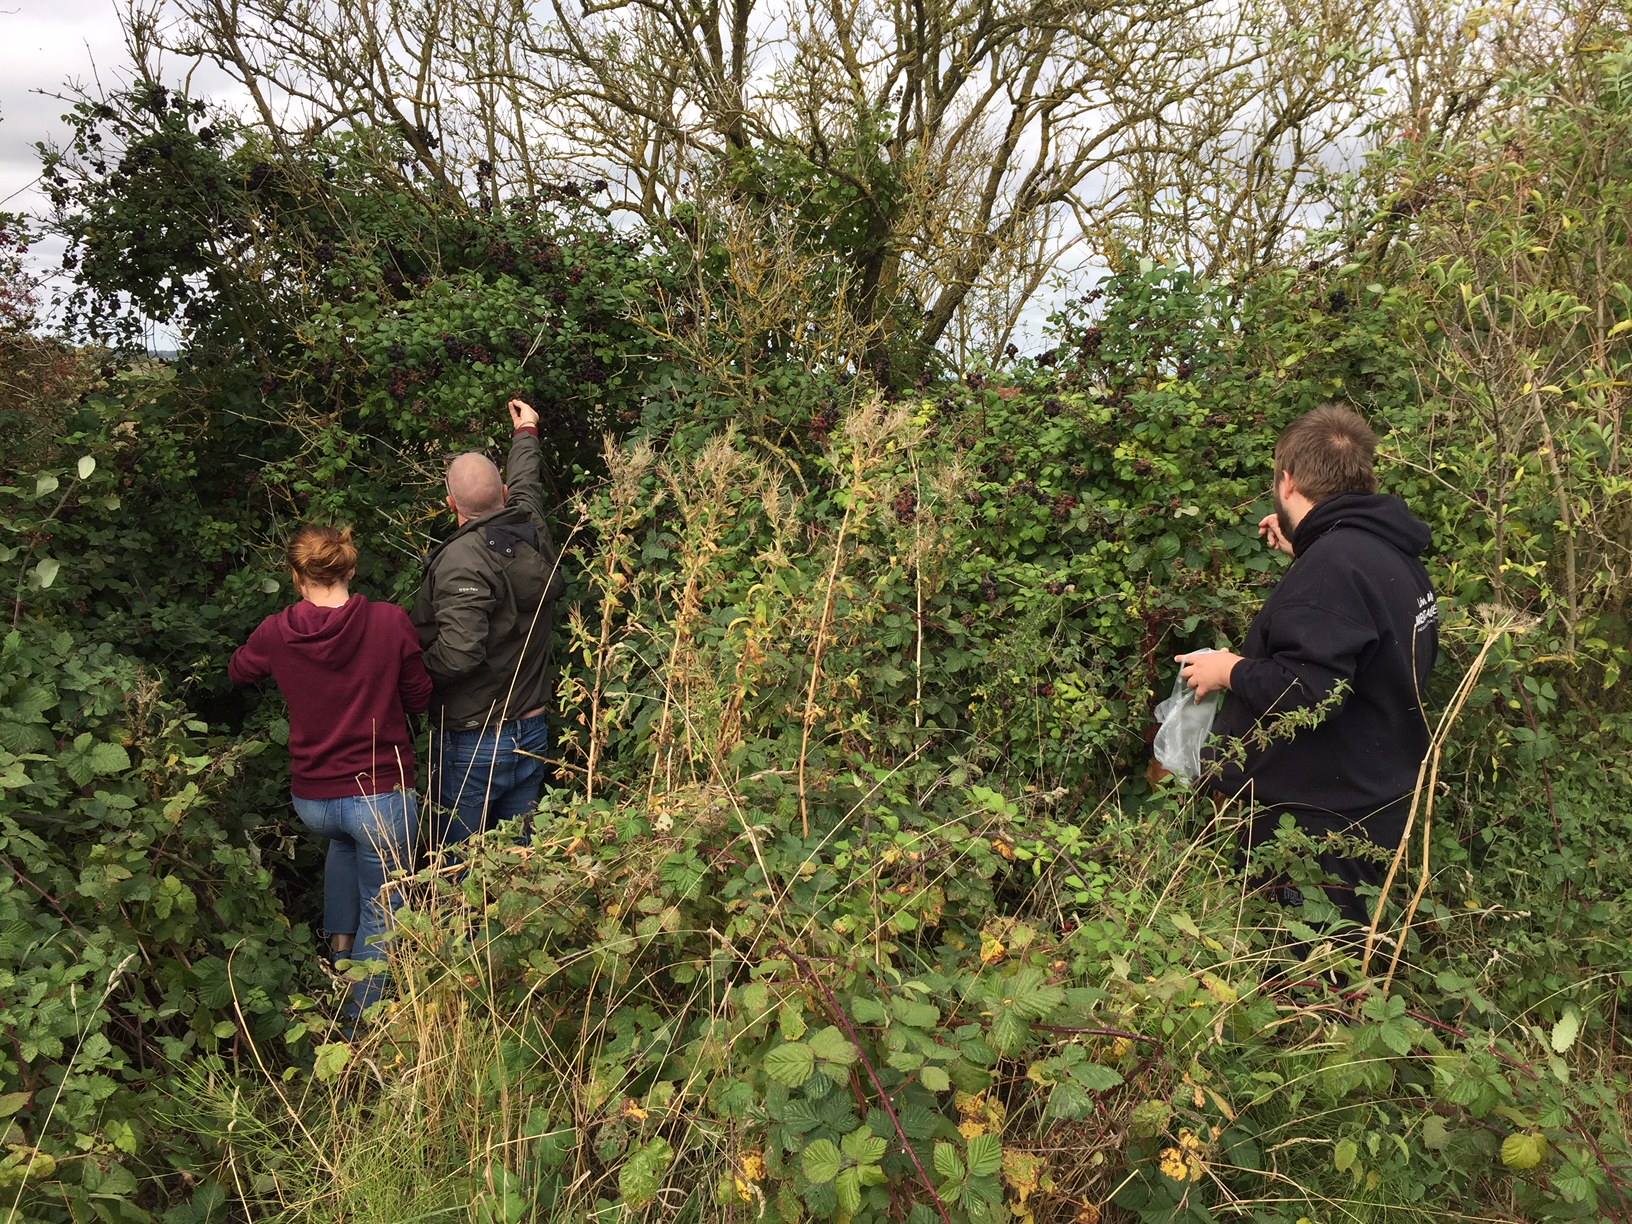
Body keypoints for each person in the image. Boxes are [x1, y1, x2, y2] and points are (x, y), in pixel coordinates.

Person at [1176, 404, 1438, 930]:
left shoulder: (1333, 569)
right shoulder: (1390, 554)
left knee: (1302, 974)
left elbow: (1310, 689)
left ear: (1287, 480)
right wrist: (1308, 546)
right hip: (1374, 798)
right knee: (1343, 964)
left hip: (1318, 822)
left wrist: (1227, 670)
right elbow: (1354, 638)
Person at [229, 525, 432, 1016]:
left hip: (315, 799)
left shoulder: (278, 631)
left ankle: (341, 961)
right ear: (351, 568)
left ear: (297, 576)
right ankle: (360, 1024)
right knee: (384, 903)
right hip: (380, 794)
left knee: (344, 847)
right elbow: (421, 697)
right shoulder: (389, 622)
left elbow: (239, 670)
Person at [414, 398, 563, 844]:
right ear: (501, 496)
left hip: (474, 741)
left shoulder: (462, 561)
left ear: (449, 503)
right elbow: (527, 485)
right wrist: (527, 432)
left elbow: (460, 654)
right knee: (519, 869)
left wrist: (410, 679)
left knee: (459, 870)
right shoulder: (530, 529)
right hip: (532, 729)